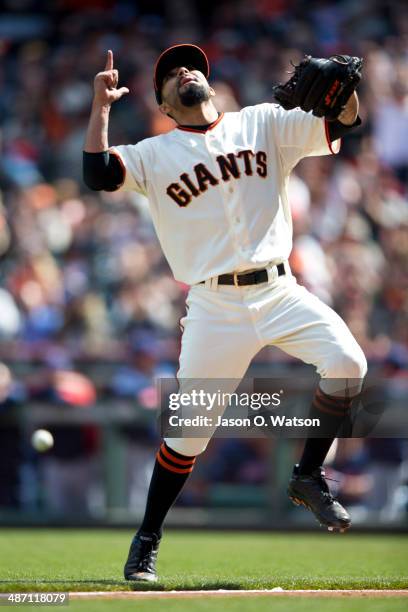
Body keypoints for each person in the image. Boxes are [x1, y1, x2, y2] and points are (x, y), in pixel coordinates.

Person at [83, 44, 367, 582]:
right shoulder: (152, 153)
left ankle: (308, 476)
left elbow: (342, 124)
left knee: (349, 363)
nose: (184, 72)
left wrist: (346, 95)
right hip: (215, 306)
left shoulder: (262, 123)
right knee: (189, 433)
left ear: (210, 85)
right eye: (170, 73)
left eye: (191, 66)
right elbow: (98, 174)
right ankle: (147, 539)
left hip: (280, 290)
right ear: (165, 105)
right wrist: (100, 107)